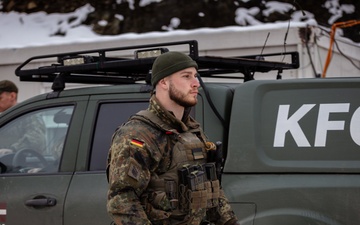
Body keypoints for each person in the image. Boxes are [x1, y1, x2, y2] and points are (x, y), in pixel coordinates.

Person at [107, 52, 240, 225]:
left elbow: (211, 190)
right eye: (186, 76)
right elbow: (121, 201)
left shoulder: (191, 131)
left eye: (195, 76)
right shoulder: (138, 134)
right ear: (163, 82)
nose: (196, 83)